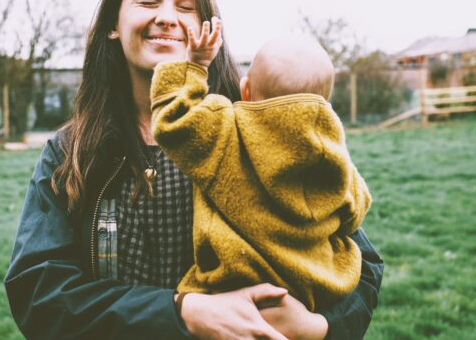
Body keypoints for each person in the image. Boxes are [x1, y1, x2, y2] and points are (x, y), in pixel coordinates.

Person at [4, 0, 384, 340]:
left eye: (186, 7)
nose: (167, 17)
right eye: (148, 1)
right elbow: (39, 292)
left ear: (209, 28)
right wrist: (182, 313)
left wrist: (321, 327)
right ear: (114, 24)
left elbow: (364, 268)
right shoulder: (71, 152)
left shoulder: (259, 135)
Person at [151, 22, 372, 312]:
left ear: (245, 90)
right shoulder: (334, 154)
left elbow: (173, 121)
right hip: (314, 293)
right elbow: (355, 211)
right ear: (325, 102)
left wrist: (194, 65)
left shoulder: (226, 132)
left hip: (229, 291)